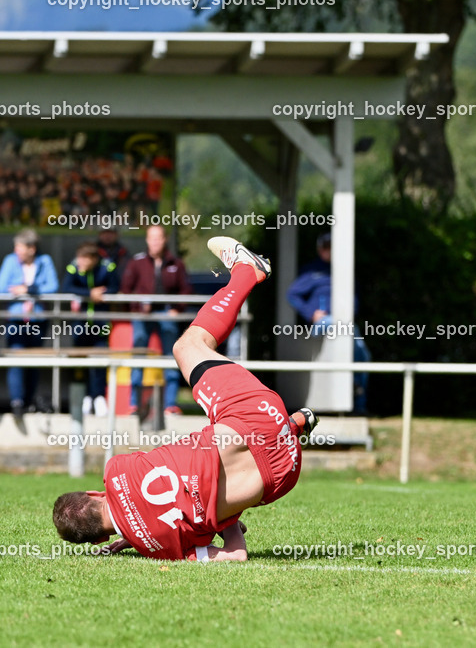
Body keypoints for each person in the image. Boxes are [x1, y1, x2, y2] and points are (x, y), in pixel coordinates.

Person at [53, 236, 318, 562]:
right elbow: (165, 475)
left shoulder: (162, 548)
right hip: (254, 415)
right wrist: (132, 527)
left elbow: (236, 556)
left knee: (216, 506)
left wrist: (141, 539)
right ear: (95, 492)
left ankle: (292, 427)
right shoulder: (116, 470)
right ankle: (248, 271)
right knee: (188, 347)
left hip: (282, 473)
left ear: (98, 541)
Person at [286, 232, 371, 414]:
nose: (329, 251)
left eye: (332, 247)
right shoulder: (312, 271)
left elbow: (354, 302)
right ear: (319, 250)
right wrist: (311, 314)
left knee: (363, 355)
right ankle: (356, 387)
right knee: (342, 328)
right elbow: (292, 294)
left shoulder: (346, 271)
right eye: (326, 247)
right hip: (323, 323)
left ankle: (359, 404)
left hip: (344, 324)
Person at [119, 225, 193, 416]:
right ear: (146, 240)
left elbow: (186, 290)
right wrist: (139, 307)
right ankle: (134, 404)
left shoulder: (175, 263)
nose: (155, 242)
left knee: (171, 355)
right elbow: (126, 290)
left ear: (165, 239)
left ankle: (170, 404)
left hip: (167, 314)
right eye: (152, 238)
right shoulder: (137, 262)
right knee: (139, 355)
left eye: (158, 238)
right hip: (142, 316)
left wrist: (177, 309)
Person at [0, 228, 59, 417]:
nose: (17, 251)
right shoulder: (10, 261)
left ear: (32, 249)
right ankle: (17, 401)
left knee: (34, 361)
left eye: (20, 248)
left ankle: (30, 399)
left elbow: (53, 287)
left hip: (38, 318)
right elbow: (1, 287)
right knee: (15, 358)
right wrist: (19, 292)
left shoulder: (44, 261)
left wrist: (29, 289)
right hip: (16, 318)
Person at [61, 242, 120, 417]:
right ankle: (85, 397)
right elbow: (66, 288)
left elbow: (115, 287)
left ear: (93, 259)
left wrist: (102, 294)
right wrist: (89, 293)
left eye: (84, 259)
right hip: (80, 322)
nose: (80, 262)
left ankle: (99, 396)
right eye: (79, 258)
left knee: (100, 359)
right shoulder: (73, 267)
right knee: (80, 360)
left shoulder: (108, 267)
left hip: (101, 322)